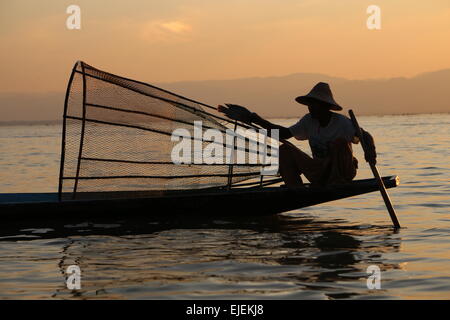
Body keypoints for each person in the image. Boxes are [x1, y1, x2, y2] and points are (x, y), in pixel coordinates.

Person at [218, 82, 377, 187]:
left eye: (313, 104)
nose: (310, 108)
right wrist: (255, 119)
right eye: (309, 104)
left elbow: (365, 136)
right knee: (285, 150)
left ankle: (336, 183)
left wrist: (370, 151)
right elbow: (285, 134)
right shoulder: (309, 121)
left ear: (324, 106)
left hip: (342, 174)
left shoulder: (342, 123)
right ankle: (295, 188)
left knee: (340, 144)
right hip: (320, 173)